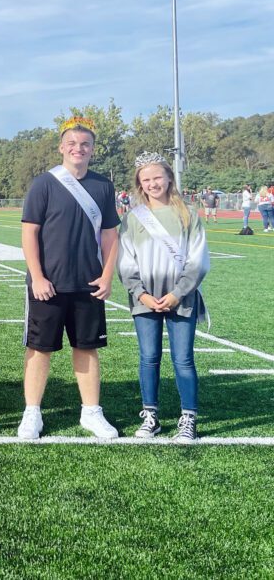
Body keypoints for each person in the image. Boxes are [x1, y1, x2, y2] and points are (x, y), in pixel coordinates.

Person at [17, 117, 120, 440]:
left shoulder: (103, 185)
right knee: (39, 348)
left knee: (87, 347)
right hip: (47, 284)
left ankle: (91, 412)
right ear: (62, 148)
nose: (79, 149)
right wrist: (37, 276)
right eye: (72, 144)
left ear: (92, 149)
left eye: (85, 144)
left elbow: (110, 236)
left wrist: (106, 276)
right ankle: (32, 412)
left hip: (88, 284)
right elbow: (29, 232)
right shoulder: (44, 183)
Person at [119, 152, 209, 443]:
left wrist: (176, 293)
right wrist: (140, 294)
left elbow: (199, 261)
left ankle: (188, 418)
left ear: (169, 177)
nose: (153, 183)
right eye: (146, 180)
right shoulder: (133, 218)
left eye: (158, 177)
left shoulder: (188, 215)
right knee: (149, 358)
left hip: (180, 298)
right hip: (144, 299)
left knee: (183, 360)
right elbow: (125, 260)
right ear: (139, 185)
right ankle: (150, 416)